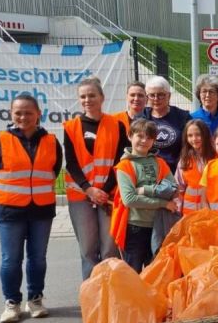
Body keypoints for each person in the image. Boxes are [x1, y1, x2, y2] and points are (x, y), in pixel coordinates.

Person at [0, 94, 63, 323]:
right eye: (18, 112)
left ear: (39, 114)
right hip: (9, 211)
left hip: (41, 210)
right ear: (11, 114)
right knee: (11, 259)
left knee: (38, 258)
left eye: (29, 112)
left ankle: (35, 298)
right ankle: (12, 303)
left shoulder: (51, 141)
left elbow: (53, 170)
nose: (23, 117)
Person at [64, 77, 128, 280]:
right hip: (81, 196)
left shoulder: (117, 125)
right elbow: (72, 163)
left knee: (110, 248)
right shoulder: (70, 127)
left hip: (108, 195)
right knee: (88, 249)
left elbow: (121, 160)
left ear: (102, 97)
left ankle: (111, 290)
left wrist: (104, 190)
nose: (87, 100)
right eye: (83, 96)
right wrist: (89, 190)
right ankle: (92, 293)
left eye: (92, 95)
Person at [111, 119, 177, 273]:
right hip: (135, 227)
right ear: (130, 136)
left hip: (159, 226)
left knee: (155, 273)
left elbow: (173, 188)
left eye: (149, 137)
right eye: (140, 136)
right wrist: (163, 203)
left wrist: (144, 190)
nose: (144, 141)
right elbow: (130, 199)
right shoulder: (125, 166)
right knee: (133, 274)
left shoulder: (160, 162)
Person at [143, 75, 192, 252]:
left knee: (174, 233)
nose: (156, 99)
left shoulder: (182, 117)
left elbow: (189, 146)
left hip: (174, 183)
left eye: (161, 95)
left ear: (169, 96)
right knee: (153, 236)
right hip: (149, 182)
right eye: (152, 95)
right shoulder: (143, 117)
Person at [176, 119, 216, 216]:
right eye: (190, 135)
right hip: (190, 213)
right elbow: (179, 187)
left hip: (212, 211)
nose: (194, 139)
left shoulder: (216, 157)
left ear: (205, 135)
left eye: (198, 134)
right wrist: (178, 209)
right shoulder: (185, 159)